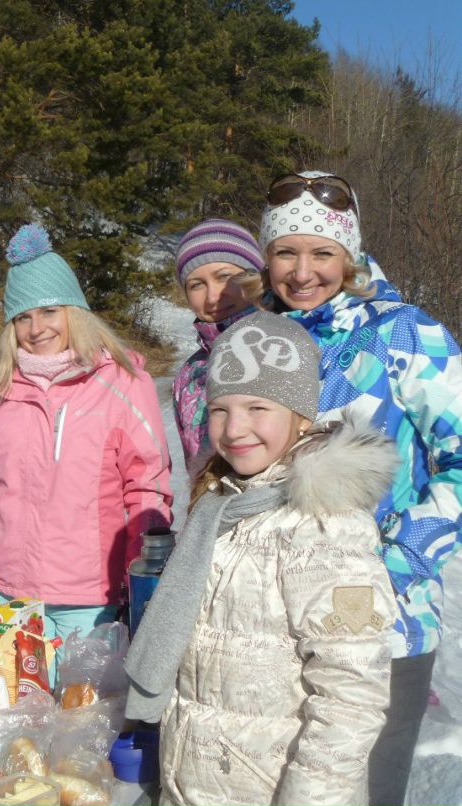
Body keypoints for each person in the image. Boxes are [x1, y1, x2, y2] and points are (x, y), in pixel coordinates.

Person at [126, 311, 397, 806]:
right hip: (201, 782)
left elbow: (350, 695)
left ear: (301, 416)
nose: (234, 429)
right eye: (220, 410)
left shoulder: (325, 525)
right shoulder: (224, 505)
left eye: (257, 407)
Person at [258, 171, 462, 806]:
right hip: (276, 615)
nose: (301, 272)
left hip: (385, 618)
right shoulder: (263, 338)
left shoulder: (404, 332)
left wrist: (400, 557)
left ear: (348, 257)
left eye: (321, 253)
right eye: (285, 252)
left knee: (365, 791)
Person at [0, 223, 172, 650]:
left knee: (83, 712)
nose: (35, 328)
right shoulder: (4, 393)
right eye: (22, 317)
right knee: (18, 710)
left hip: (89, 596)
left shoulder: (122, 383)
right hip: (11, 593)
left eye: (48, 311)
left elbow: (147, 488)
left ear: (73, 312)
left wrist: (142, 576)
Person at [171, 219, 263, 474]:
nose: (213, 297)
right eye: (196, 284)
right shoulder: (189, 375)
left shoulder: (283, 350)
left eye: (224, 277)